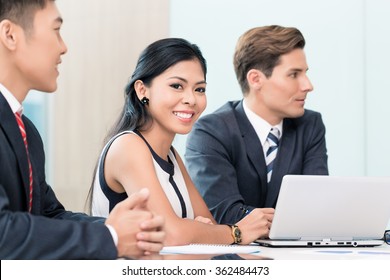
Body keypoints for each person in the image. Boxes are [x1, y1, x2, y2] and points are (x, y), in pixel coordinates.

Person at [0, 0, 165, 259]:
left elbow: (49, 215)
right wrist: (111, 237)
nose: (64, 47)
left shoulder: (26, 130)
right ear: (10, 35)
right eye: (56, 30)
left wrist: (126, 229)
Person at [89, 37, 274, 246]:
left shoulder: (171, 156)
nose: (191, 99)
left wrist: (201, 230)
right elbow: (170, 233)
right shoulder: (128, 146)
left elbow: (211, 226)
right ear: (142, 90)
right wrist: (235, 232)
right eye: (177, 86)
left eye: (199, 89)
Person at [185, 25, 329, 225]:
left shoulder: (310, 125)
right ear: (255, 79)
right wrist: (292, 220)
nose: (308, 85)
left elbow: (317, 205)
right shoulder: (211, 133)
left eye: (305, 73)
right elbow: (224, 213)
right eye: (294, 74)